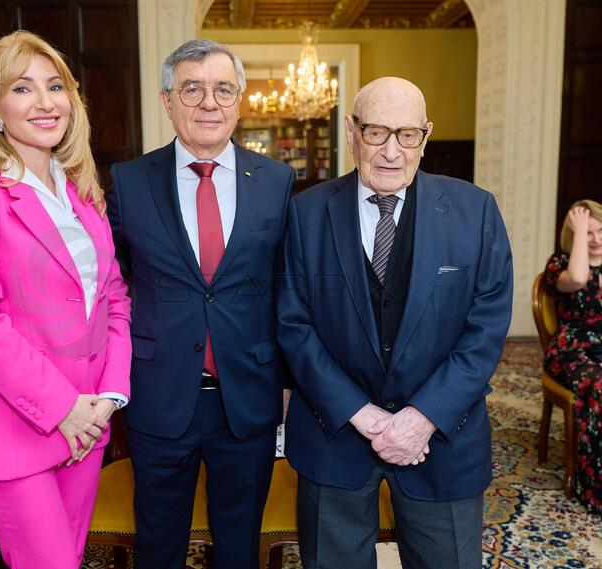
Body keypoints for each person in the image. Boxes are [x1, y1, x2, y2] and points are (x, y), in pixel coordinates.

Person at [277, 77, 513, 568]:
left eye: (407, 135)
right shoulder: (304, 213)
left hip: (443, 442)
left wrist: (421, 418)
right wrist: (363, 414)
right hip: (335, 437)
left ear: (425, 137)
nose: (391, 152)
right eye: (377, 132)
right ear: (351, 131)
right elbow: (294, 325)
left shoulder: (477, 211)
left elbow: (485, 329)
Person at [0, 30, 131, 569]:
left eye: (55, 86)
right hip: (16, 428)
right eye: (22, 89)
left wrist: (110, 395)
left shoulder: (84, 195)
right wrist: (62, 407)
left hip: (86, 424)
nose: (45, 102)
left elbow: (114, 299)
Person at [108, 39, 295, 569]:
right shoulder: (129, 180)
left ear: (239, 101)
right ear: (168, 101)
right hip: (159, 392)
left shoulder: (277, 181)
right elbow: (114, 286)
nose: (209, 102)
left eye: (223, 89)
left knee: (240, 544)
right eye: (193, 89)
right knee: (158, 542)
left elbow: (287, 286)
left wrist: (286, 381)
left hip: (248, 395)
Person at [543, 199, 602, 515]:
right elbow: (578, 279)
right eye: (587, 232)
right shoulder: (560, 265)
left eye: (600, 230)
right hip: (570, 351)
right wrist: (577, 231)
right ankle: (592, 487)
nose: (595, 239)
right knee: (598, 385)